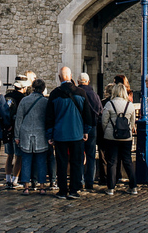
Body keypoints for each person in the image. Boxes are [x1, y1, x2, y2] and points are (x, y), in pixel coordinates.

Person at [45, 66, 93, 199]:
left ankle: (62, 190)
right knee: (76, 163)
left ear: (59, 78)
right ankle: (74, 190)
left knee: (61, 163)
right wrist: (86, 130)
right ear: (71, 76)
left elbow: (49, 116)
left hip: (60, 134)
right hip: (76, 133)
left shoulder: (55, 94)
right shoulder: (81, 92)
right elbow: (87, 115)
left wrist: (50, 134)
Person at [101, 83, 138, 196]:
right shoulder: (130, 105)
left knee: (112, 162)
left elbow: (104, 121)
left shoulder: (109, 104)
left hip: (111, 136)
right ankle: (133, 186)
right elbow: (132, 123)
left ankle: (111, 188)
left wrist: (107, 131)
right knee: (127, 161)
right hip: (126, 137)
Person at [14, 78, 49, 195]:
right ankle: (42, 186)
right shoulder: (45, 102)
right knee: (41, 161)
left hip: (25, 132)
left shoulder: (24, 100)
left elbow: (19, 119)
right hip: (41, 133)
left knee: (26, 160)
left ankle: (26, 187)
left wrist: (16, 136)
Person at [77, 73, 102, 191]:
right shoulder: (95, 95)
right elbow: (100, 110)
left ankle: (80, 180)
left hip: (79, 127)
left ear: (78, 82)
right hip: (92, 127)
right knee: (91, 155)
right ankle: (90, 182)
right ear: (88, 81)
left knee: (79, 155)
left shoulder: (77, 94)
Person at [3, 76, 28, 188]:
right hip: (18, 130)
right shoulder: (23, 98)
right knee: (18, 156)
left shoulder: (7, 96)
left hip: (7, 129)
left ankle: (8, 178)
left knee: (9, 155)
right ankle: (15, 180)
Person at [96, 83, 114, 186]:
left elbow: (101, 118)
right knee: (113, 156)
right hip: (114, 133)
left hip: (103, 132)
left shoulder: (104, 103)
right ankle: (113, 177)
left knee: (102, 156)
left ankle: (104, 177)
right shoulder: (118, 102)